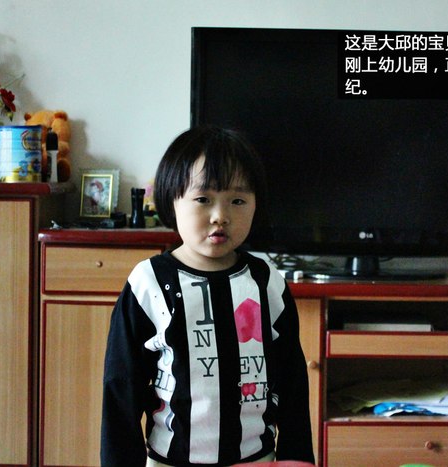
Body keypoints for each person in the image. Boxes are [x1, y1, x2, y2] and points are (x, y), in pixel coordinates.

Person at [101, 126, 315, 467]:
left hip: (257, 459)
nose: (221, 216)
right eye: (203, 199)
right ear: (172, 200)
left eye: (238, 201)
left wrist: (296, 458)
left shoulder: (267, 282)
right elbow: (122, 386)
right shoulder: (149, 283)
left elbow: (292, 382)